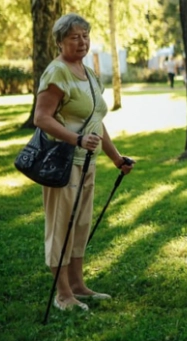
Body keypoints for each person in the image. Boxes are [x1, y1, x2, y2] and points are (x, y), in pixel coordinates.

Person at [34, 13, 135, 311]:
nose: (82, 41)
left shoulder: (87, 72)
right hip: (62, 162)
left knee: (80, 224)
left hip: (87, 162)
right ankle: (62, 294)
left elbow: (96, 122)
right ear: (60, 42)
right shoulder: (57, 73)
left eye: (85, 35)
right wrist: (75, 140)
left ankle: (78, 285)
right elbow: (41, 118)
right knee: (60, 226)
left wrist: (116, 158)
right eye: (74, 37)